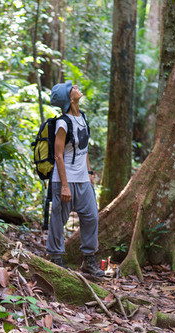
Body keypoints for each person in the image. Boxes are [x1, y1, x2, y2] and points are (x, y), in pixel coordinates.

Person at [46, 81, 104, 278]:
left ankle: (89, 260)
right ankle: (56, 257)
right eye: (72, 88)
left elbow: (84, 149)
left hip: (82, 180)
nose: (76, 87)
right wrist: (64, 186)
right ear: (68, 98)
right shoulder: (63, 123)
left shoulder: (83, 118)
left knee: (91, 217)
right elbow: (59, 155)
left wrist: (89, 174)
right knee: (58, 219)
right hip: (64, 179)